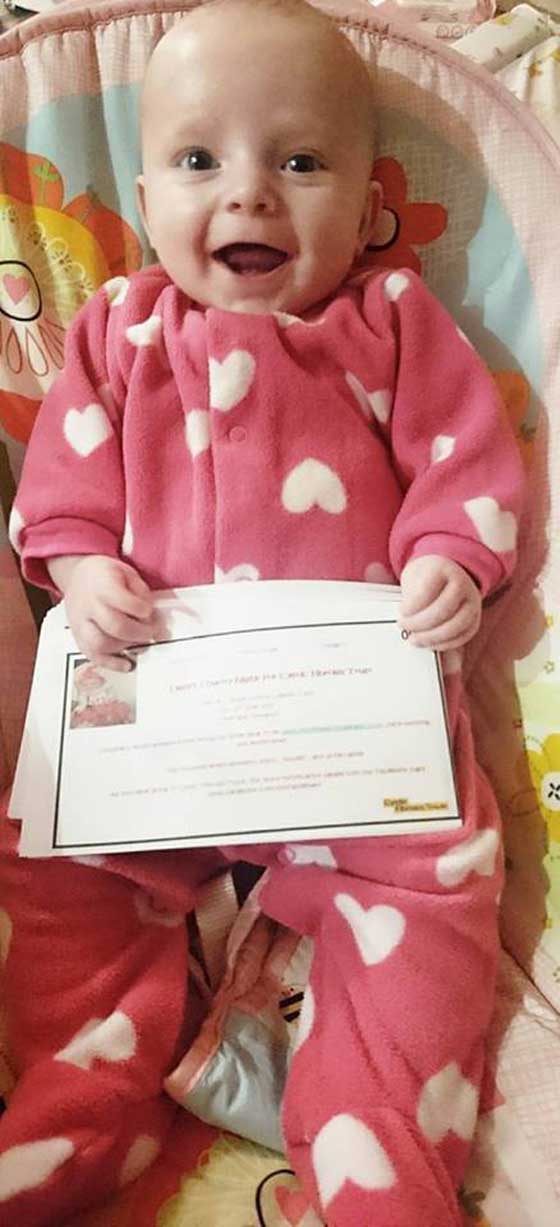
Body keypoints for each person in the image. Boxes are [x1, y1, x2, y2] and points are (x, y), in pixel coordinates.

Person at [0, 1, 526, 1223]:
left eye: (298, 162)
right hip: (155, 724)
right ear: (142, 197)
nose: (246, 193)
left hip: (360, 735)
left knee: (436, 897)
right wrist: (79, 566)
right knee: (58, 873)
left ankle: (377, 1148)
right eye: (199, 160)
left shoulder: (392, 323)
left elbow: (465, 462)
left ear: (369, 202)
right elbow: (57, 491)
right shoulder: (117, 330)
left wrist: (451, 558)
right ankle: (82, 1105)